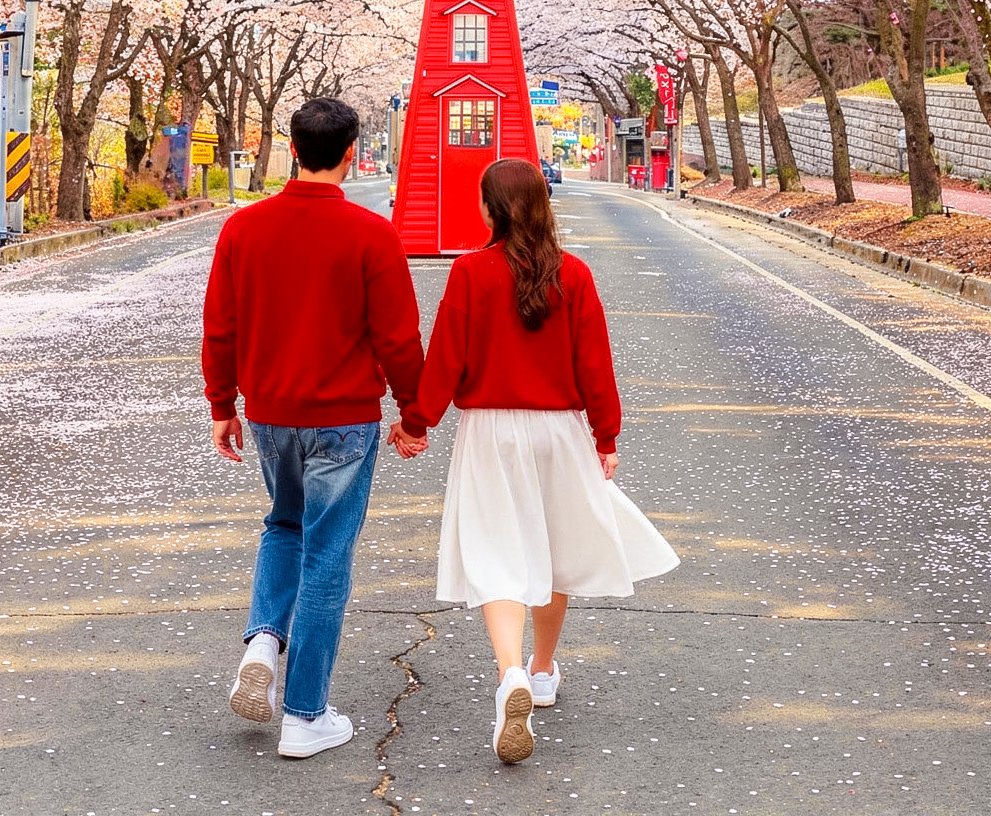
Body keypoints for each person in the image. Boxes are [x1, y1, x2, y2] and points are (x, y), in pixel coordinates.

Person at [395, 158, 677, 764]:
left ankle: (509, 676)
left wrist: (417, 423)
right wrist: (606, 437)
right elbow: (594, 364)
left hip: (491, 431)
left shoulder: (470, 273)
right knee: (550, 549)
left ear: (490, 208)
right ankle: (542, 669)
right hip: (560, 430)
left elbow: (446, 357)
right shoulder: (572, 274)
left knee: (499, 549)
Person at [200, 97, 428, 759]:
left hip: (271, 413)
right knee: (327, 554)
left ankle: (265, 641)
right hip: (345, 421)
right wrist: (414, 416)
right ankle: (304, 714)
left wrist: (222, 406)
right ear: (353, 153)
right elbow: (397, 338)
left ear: (293, 150)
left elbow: (221, 327)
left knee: (284, 524)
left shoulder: (244, 229)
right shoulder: (371, 234)